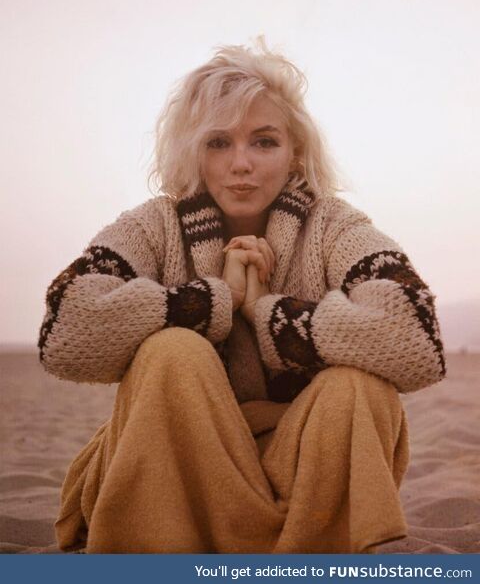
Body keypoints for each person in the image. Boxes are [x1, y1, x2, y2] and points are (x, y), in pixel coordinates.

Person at [38, 39, 445, 554]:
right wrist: (215, 300)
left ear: (294, 151)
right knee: (172, 352)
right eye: (218, 143)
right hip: (180, 475)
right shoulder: (154, 224)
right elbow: (65, 333)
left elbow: (418, 336)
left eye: (264, 141)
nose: (241, 164)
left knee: (358, 387)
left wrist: (267, 312)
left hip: (300, 475)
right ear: (193, 151)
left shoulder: (333, 226)